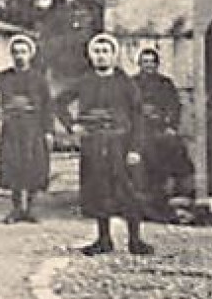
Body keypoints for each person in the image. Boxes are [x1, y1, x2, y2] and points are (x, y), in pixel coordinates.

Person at [56, 33, 152, 256]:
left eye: (105, 51)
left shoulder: (126, 83)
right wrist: (72, 126)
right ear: (91, 56)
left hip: (121, 144)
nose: (101, 56)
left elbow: (138, 116)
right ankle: (103, 239)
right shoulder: (85, 81)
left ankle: (135, 240)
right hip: (93, 144)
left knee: (128, 191)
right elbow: (59, 103)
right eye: (97, 52)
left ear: (113, 55)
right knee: (98, 191)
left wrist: (135, 148)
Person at [0, 34, 53, 224]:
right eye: (16, 52)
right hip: (11, 127)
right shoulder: (3, 77)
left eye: (23, 52)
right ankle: (17, 208)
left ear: (30, 54)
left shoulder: (39, 79)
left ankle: (30, 209)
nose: (20, 56)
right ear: (11, 54)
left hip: (33, 128)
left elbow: (48, 106)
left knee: (33, 166)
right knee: (13, 166)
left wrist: (48, 131)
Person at [131, 48, 195, 221]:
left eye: (152, 62)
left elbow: (175, 106)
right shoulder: (132, 83)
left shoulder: (165, 84)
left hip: (160, 128)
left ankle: (176, 194)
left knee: (174, 150)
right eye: (145, 62)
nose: (148, 66)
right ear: (139, 64)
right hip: (140, 130)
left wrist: (171, 125)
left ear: (157, 64)